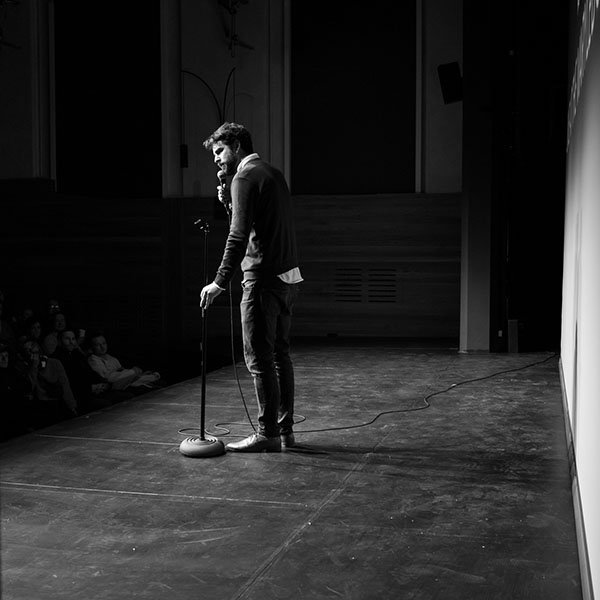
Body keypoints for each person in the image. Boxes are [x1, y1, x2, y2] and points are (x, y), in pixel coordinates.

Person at [200, 122, 302, 453]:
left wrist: (219, 282)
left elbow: (238, 236)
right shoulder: (272, 174)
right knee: (280, 356)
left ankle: (266, 433)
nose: (216, 159)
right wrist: (230, 204)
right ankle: (284, 432)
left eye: (219, 151)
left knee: (259, 359)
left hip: (262, 279)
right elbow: (259, 225)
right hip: (288, 278)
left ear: (237, 146)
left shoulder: (243, 178)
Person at [87, 331, 161, 391]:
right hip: (115, 385)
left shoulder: (111, 358)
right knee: (138, 381)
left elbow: (122, 371)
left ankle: (145, 378)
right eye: (98, 345)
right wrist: (132, 371)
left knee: (147, 376)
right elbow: (108, 378)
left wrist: (136, 373)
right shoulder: (93, 360)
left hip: (125, 380)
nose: (102, 347)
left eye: (104, 343)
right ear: (92, 347)